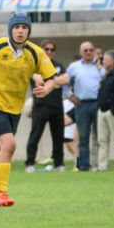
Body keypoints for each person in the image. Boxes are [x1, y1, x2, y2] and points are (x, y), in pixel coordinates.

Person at [0, 12, 57, 207]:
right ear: (10, 29)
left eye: (24, 27)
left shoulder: (35, 52)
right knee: (9, 145)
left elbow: (51, 78)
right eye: (17, 27)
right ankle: (1, 195)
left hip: (14, 109)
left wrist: (46, 89)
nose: (20, 31)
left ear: (29, 31)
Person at [24, 40, 69, 173]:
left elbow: (66, 80)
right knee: (35, 135)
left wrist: (51, 81)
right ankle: (30, 163)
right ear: (42, 50)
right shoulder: (35, 65)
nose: (49, 51)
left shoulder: (59, 65)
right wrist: (55, 81)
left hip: (56, 106)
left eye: (52, 49)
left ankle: (59, 163)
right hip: (40, 106)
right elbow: (39, 80)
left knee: (58, 136)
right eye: (46, 49)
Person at [66, 41, 105, 171]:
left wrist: (101, 68)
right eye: (85, 50)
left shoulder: (101, 66)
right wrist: (69, 96)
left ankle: (97, 164)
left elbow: (107, 81)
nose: (88, 52)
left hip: (97, 104)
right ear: (80, 52)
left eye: (90, 50)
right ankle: (83, 165)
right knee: (83, 137)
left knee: (99, 136)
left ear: (94, 51)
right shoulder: (74, 67)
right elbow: (65, 83)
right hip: (81, 104)